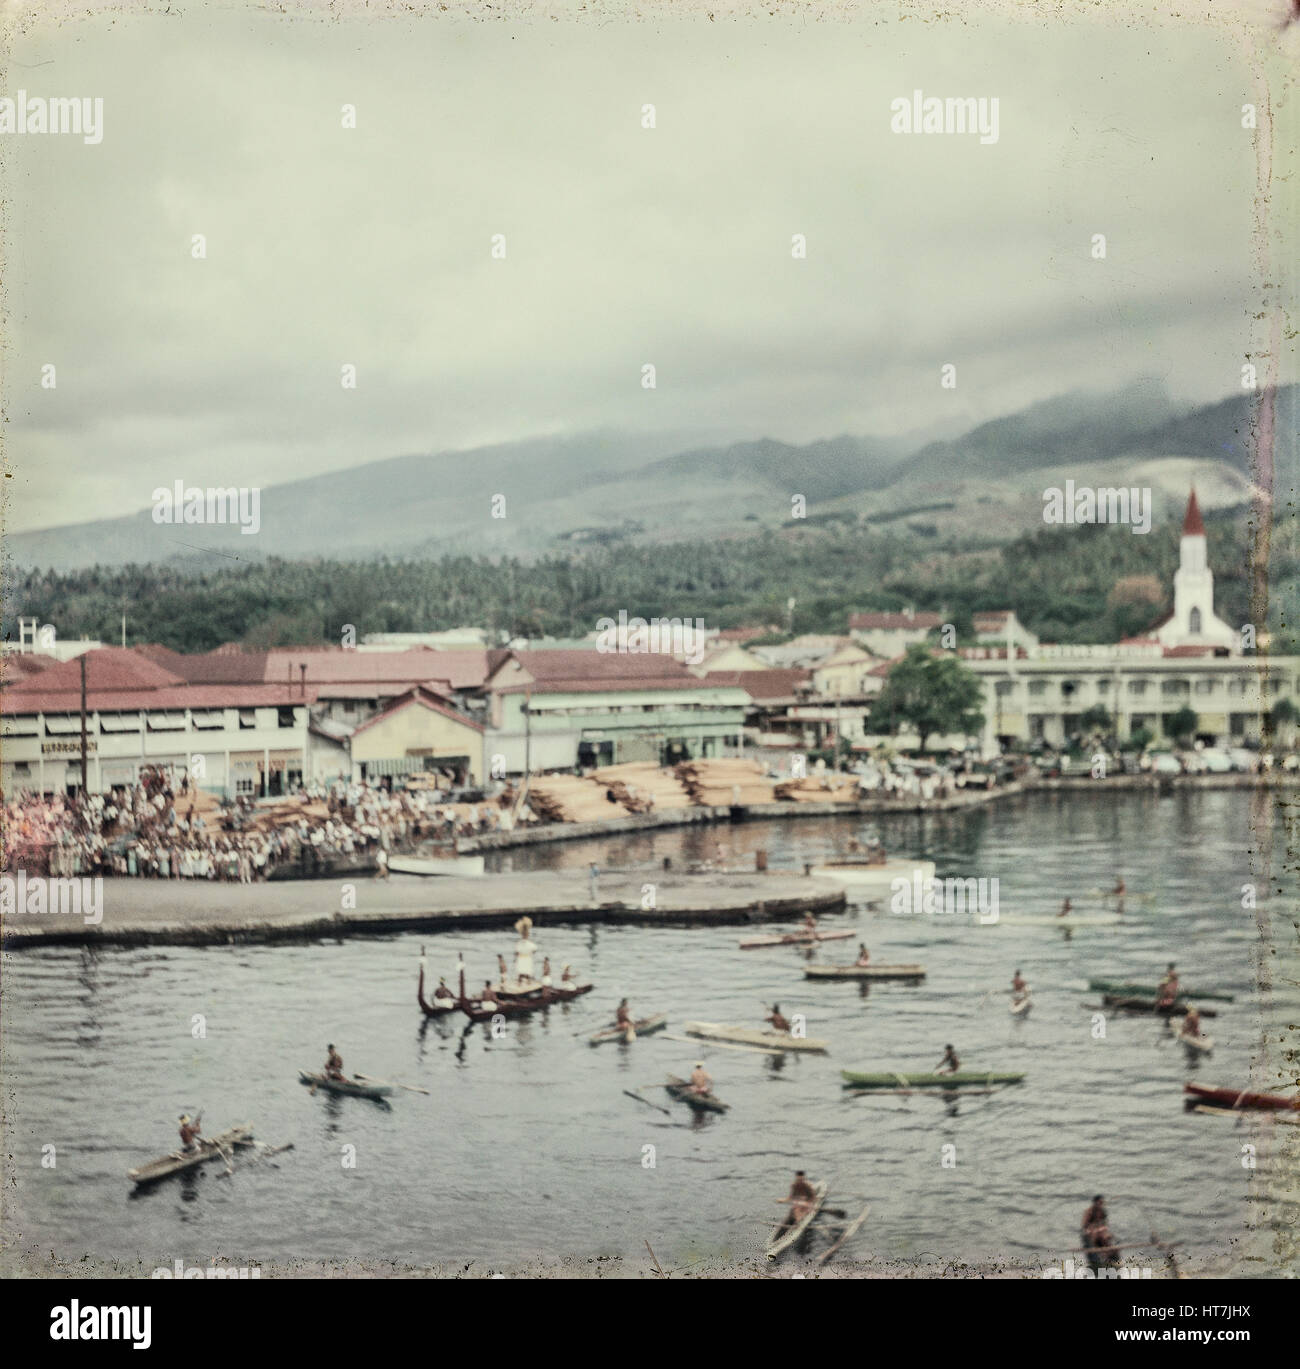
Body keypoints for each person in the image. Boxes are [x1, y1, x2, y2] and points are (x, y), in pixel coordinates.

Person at [774, 1170, 819, 1237]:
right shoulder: (794, 1185)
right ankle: (797, 1223)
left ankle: (798, 1223)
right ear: (796, 1178)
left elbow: (813, 1197)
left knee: (799, 1211)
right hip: (799, 1202)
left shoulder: (808, 1186)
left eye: (801, 1179)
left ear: (803, 1178)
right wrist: (782, 1200)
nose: (800, 1181)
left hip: (808, 1202)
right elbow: (791, 1197)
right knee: (795, 1210)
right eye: (798, 1179)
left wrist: (809, 1204)